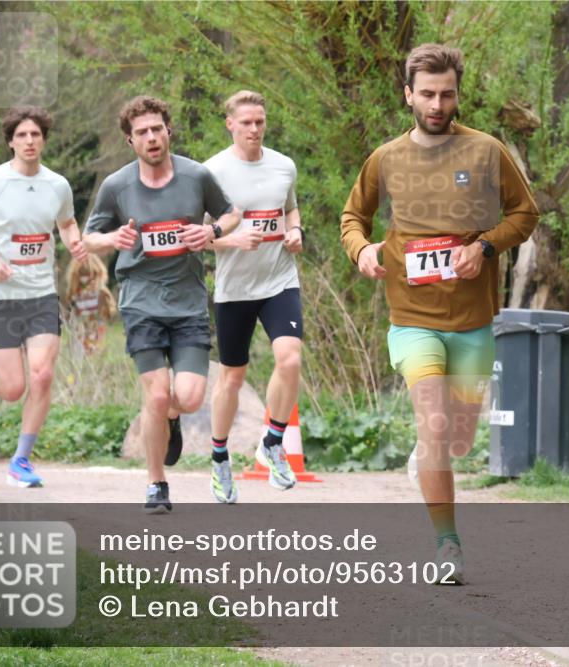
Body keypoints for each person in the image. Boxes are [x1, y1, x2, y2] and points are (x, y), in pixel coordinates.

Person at [341, 44, 539, 583]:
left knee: (457, 440)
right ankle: (447, 546)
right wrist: (361, 250)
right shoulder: (386, 158)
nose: (436, 103)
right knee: (433, 424)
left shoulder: (486, 151)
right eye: (426, 93)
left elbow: (526, 212)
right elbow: (353, 216)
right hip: (411, 316)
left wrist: (486, 248)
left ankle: (430, 452)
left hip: (473, 319)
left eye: (446, 93)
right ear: (408, 94)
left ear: (457, 94)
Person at [83, 95, 240, 513]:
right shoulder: (117, 186)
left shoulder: (196, 176)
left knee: (186, 398)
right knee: (154, 395)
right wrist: (111, 240)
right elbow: (89, 238)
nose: (151, 138)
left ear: (167, 130)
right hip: (141, 301)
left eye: (157, 129)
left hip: (188, 302)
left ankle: (171, 418)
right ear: (129, 141)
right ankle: (156, 484)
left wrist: (213, 231)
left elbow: (232, 213)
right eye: (141, 133)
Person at [0, 106, 88, 488]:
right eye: (22, 135)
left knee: (43, 375)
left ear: (44, 139)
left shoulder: (58, 185)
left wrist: (73, 242)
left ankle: (20, 461)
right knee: (12, 390)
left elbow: (66, 222)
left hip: (40, 293)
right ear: (11, 141)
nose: (30, 141)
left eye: (36, 135)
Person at [203, 90, 303, 501]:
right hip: (235, 289)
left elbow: (291, 210)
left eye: (260, 121)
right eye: (246, 122)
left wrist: (296, 230)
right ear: (230, 124)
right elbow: (200, 237)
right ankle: (219, 457)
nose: (255, 129)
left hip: (280, 279)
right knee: (232, 377)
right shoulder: (211, 172)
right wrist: (233, 241)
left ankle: (273, 441)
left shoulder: (284, 166)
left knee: (290, 358)